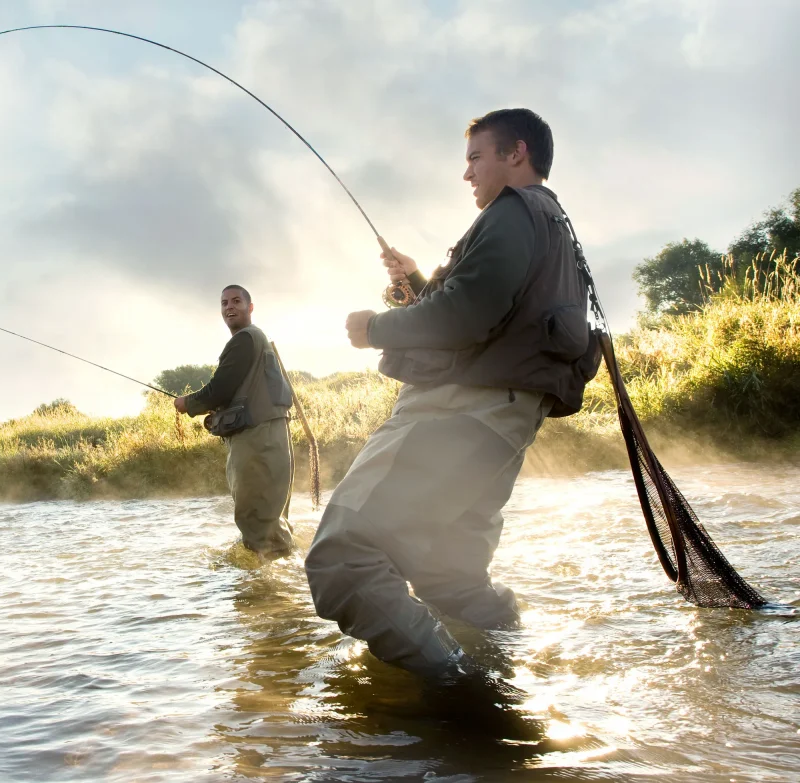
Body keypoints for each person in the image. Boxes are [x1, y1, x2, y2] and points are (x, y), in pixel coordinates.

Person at [305, 108, 600, 678]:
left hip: (456, 418)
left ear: (516, 153)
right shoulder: (552, 222)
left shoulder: (512, 210)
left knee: (343, 558)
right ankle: (507, 681)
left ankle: (462, 695)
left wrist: (376, 329)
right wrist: (417, 284)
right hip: (499, 433)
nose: (466, 174)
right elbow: (491, 312)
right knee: (451, 580)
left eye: (475, 158)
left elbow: (465, 315)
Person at [175, 285, 296, 559]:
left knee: (255, 519)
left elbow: (220, 388)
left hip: (257, 440)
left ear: (250, 307)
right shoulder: (257, 339)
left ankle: (265, 593)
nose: (229, 306)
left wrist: (188, 403)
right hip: (271, 437)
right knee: (273, 520)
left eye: (236, 301)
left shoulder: (244, 339)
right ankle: (287, 585)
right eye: (224, 303)